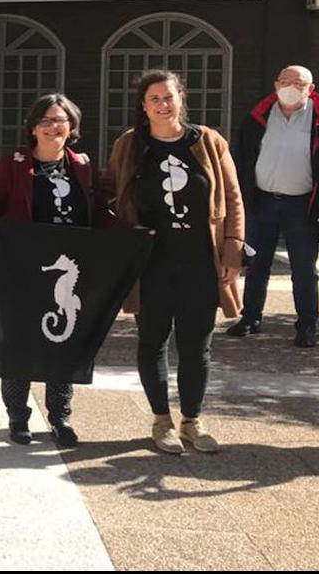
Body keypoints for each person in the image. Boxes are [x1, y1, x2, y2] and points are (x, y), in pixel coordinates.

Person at [102, 69, 244, 454]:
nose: (163, 105)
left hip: (201, 261)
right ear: (143, 106)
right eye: (154, 99)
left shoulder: (209, 142)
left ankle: (192, 422)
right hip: (152, 264)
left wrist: (232, 249)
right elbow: (109, 192)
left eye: (169, 97)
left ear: (181, 97)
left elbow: (232, 198)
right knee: (152, 341)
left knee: (198, 346)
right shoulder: (131, 145)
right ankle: (161, 420)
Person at [0, 93, 106, 449]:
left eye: (60, 120)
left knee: (63, 343)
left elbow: (100, 212)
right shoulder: (14, 166)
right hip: (24, 271)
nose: (52, 127)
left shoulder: (84, 166)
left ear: (71, 127)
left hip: (68, 270)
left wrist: (133, 234)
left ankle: (60, 416)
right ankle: (18, 416)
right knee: (20, 344)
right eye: (45, 120)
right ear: (32, 127)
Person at [229, 65, 319, 347]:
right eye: (285, 80)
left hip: (303, 206)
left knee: (304, 269)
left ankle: (307, 325)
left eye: (299, 82)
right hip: (263, 201)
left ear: (311, 88)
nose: (290, 86)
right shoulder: (257, 117)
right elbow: (243, 157)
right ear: (275, 84)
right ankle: (250, 318)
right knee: (256, 264)